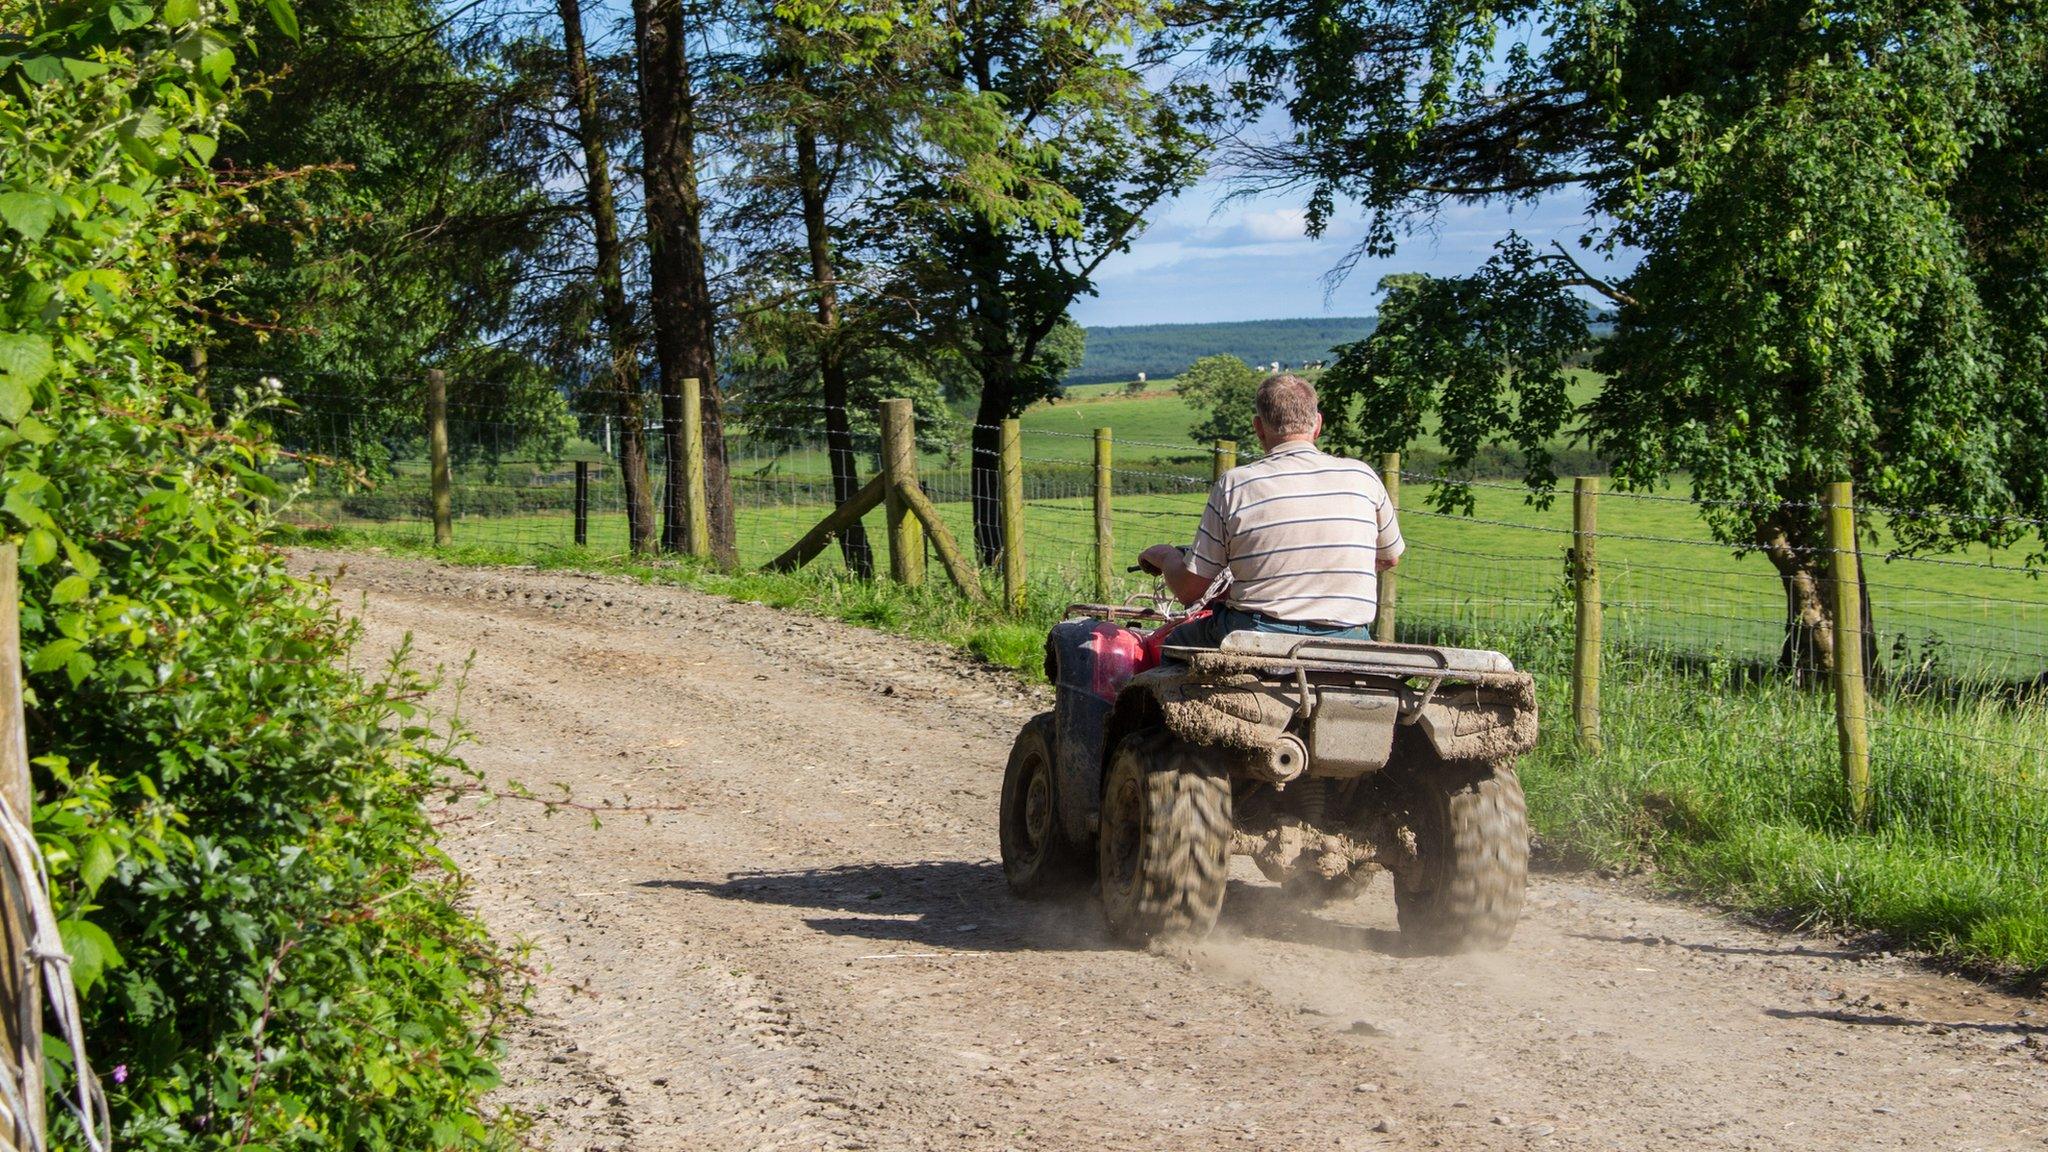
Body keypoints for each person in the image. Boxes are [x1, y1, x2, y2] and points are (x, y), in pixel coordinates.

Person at [1138, 374, 1402, 647]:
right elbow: (1389, 558)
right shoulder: (1363, 477)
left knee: (1173, 643)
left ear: (1258, 428)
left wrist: (1166, 556)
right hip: (1348, 639)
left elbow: (1190, 590)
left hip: (1258, 634)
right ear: (1318, 425)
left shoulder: (1235, 485)